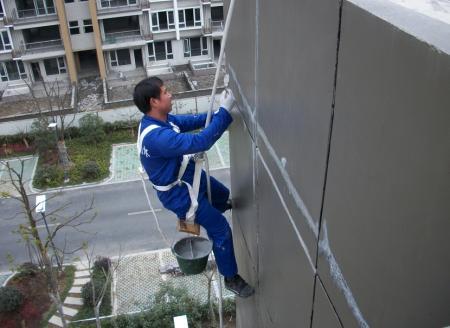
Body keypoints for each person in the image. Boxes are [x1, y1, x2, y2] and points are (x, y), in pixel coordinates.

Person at [133, 76, 254, 298]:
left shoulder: (158, 121)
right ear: (154, 102)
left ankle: (210, 213)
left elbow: (192, 121)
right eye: (165, 92)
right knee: (221, 230)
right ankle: (231, 278)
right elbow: (201, 142)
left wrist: (218, 112)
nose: (170, 94)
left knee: (222, 195)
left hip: (185, 175)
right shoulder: (157, 137)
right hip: (180, 194)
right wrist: (225, 113)